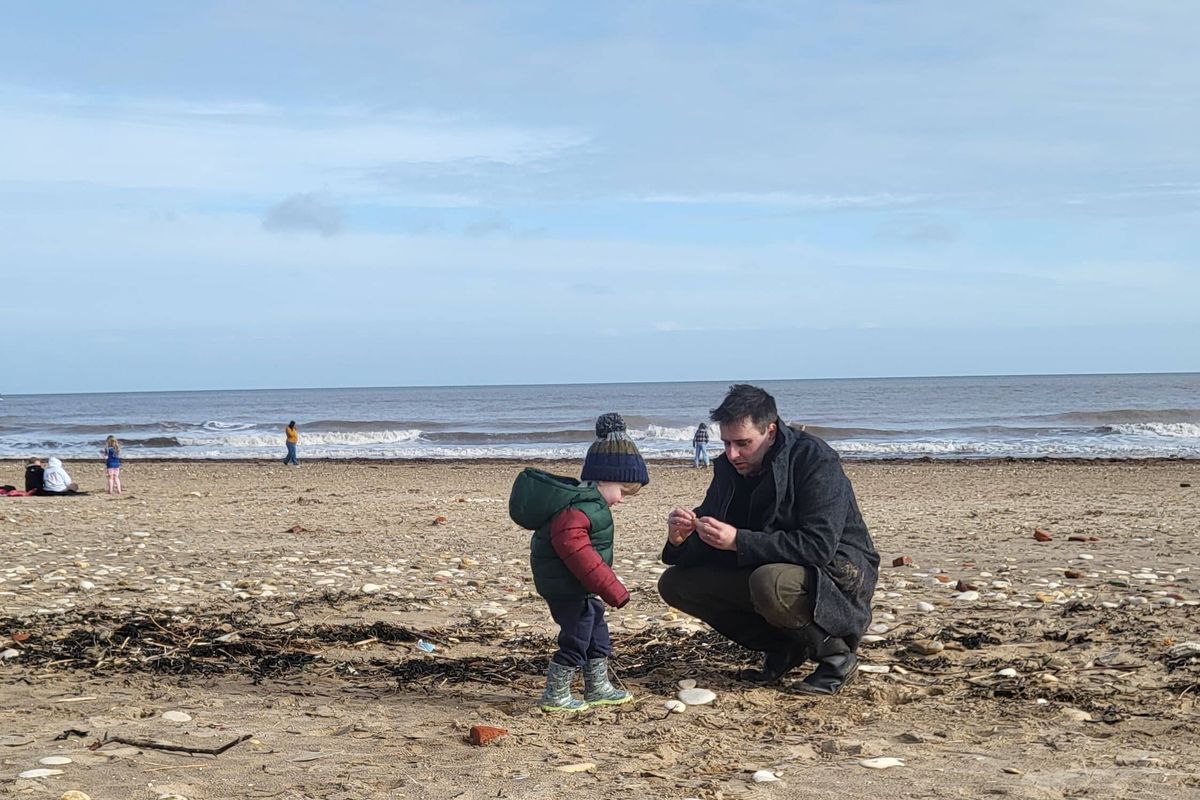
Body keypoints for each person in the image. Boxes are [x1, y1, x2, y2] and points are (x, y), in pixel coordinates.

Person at [658, 384, 879, 696]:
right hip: (769, 567)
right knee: (676, 584)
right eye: (726, 443)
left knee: (768, 581)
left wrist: (738, 541)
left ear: (771, 431)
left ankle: (836, 657)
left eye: (743, 443)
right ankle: (785, 649)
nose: (732, 453)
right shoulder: (729, 468)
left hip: (838, 572)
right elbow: (715, 537)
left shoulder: (814, 459)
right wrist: (681, 540)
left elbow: (818, 546)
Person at [508, 412, 650, 712]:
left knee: (597, 634)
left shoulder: (591, 505)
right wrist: (613, 589)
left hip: (581, 589)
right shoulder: (578, 510)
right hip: (566, 588)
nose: (621, 499)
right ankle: (555, 693)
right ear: (604, 477)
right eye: (622, 491)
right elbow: (578, 553)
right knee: (576, 638)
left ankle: (597, 686)